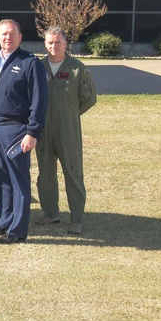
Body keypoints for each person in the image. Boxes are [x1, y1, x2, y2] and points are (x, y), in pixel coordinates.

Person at [0, 19, 48, 245]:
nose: (7, 38)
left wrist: (32, 132)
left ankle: (17, 231)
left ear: (20, 37)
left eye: (12, 34)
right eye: (3, 34)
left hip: (16, 130)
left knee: (18, 181)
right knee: (1, 180)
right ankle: (3, 222)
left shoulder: (30, 64)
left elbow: (39, 101)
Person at [35, 26, 97, 234]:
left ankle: (76, 218)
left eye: (58, 42)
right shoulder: (38, 67)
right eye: (50, 42)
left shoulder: (77, 68)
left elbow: (89, 98)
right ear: (45, 44)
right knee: (45, 172)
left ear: (65, 44)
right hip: (43, 128)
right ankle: (50, 213)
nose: (54, 46)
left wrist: (69, 114)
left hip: (67, 129)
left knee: (72, 172)